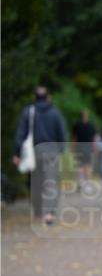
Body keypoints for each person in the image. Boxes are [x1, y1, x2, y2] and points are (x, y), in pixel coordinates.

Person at [12, 86, 68, 225]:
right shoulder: (55, 113)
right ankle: (49, 213)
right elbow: (62, 134)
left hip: (33, 153)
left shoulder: (28, 112)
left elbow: (20, 134)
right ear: (48, 97)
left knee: (35, 182)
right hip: (51, 153)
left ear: (34, 97)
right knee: (51, 182)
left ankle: (37, 211)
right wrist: (61, 149)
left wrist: (17, 153)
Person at [71, 108, 97, 183]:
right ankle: (87, 183)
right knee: (88, 166)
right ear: (87, 116)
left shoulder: (76, 125)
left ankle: (82, 182)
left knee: (80, 166)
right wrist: (95, 148)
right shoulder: (91, 125)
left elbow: (74, 138)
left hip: (79, 147)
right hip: (88, 148)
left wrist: (72, 148)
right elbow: (93, 139)